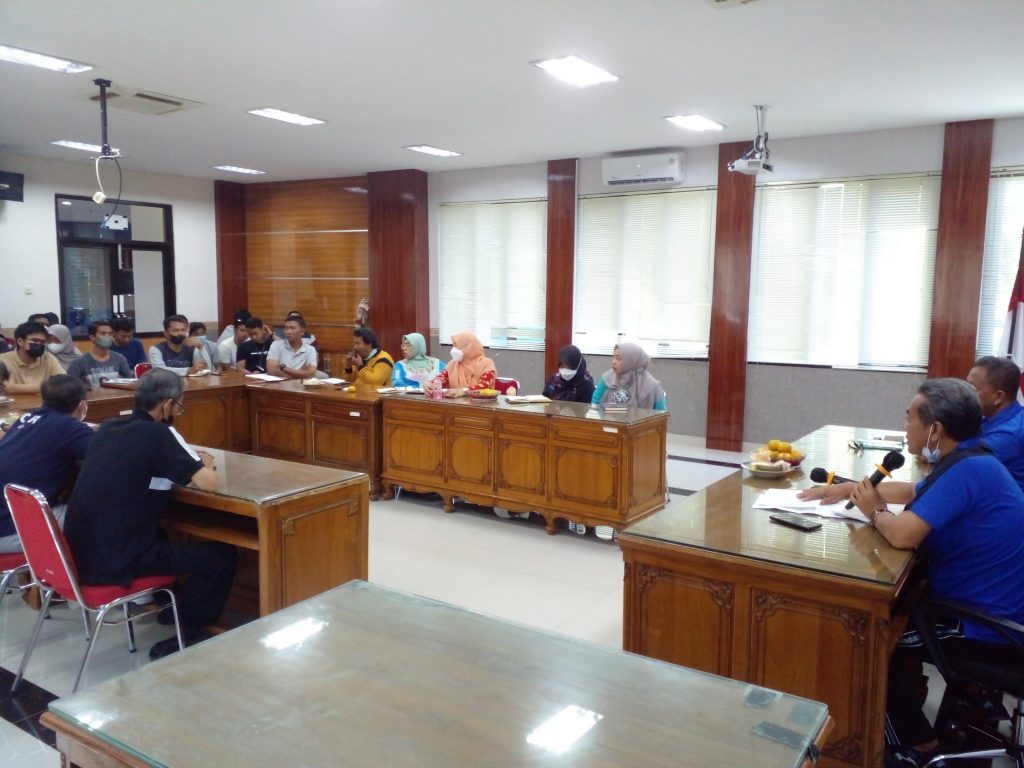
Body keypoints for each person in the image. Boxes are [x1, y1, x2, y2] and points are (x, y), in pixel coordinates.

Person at [843, 379, 1024, 766]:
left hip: (987, 627)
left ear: (935, 429)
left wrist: (875, 511)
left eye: (910, 417)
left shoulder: (967, 471)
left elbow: (902, 535)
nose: (905, 426)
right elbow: (914, 491)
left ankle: (915, 745)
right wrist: (844, 490)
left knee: (864, 640)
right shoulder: (973, 460)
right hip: (998, 612)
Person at [64, 369, 237, 659]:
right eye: (178, 406)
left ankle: (173, 610)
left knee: (162, 532)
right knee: (222, 556)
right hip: (117, 560)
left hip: (80, 554)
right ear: (167, 404)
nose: (177, 412)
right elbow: (209, 483)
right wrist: (204, 464)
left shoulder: (108, 427)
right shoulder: (158, 433)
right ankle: (188, 632)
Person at [0, 375, 92, 552]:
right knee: (99, 512)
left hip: (6, 519)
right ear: (82, 405)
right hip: (11, 531)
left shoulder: (26, 418)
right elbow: (106, 456)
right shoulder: (68, 427)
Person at [966, 355, 1024, 490]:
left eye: (972, 388)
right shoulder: (994, 416)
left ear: (998, 396)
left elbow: (958, 466)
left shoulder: (1008, 434)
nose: (965, 392)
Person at [591, 342, 666, 410]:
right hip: (608, 420)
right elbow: (595, 403)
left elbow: (660, 414)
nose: (613, 362)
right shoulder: (607, 378)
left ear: (632, 361)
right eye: (614, 357)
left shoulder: (652, 386)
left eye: (618, 359)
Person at [0, 321, 66, 394]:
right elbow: (7, 387)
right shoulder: (3, 360)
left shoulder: (48, 358)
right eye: (35, 340)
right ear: (20, 341)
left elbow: (64, 382)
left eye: (43, 342)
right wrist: (49, 387)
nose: (39, 344)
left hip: (44, 401)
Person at [424, 332, 496, 395]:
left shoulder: (486, 363)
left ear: (469, 347)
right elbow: (441, 379)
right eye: (453, 346)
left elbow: (484, 387)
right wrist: (430, 384)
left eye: (457, 346)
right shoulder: (453, 364)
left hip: (480, 404)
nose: (453, 350)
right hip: (456, 404)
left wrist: (463, 391)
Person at [66, 319, 132, 388]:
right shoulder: (78, 363)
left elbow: (130, 383)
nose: (107, 337)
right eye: (103, 334)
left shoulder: (120, 359)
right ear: (92, 337)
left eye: (110, 334)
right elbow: (70, 388)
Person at [267, 315, 318, 379]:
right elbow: (272, 371)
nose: (288, 332)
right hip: (279, 383)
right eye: (286, 328)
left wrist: (285, 368)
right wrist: (300, 374)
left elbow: (310, 374)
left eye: (292, 328)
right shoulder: (276, 345)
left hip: (300, 384)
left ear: (302, 331)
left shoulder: (310, 350)